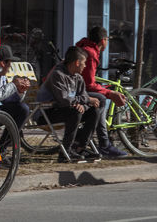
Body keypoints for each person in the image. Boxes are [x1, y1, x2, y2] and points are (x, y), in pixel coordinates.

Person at [36, 46, 102, 163]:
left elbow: (83, 98)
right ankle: (65, 151)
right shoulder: (58, 75)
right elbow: (64, 100)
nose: (85, 66)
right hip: (46, 113)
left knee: (94, 111)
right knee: (75, 112)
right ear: (77, 62)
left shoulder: (78, 78)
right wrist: (84, 101)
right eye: (84, 63)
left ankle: (80, 148)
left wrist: (83, 105)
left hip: (66, 110)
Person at [76, 26, 128, 157]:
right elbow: (88, 85)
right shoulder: (90, 53)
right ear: (103, 41)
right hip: (73, 94)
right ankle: (103, 144)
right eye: (107, 40)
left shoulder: (82, 47)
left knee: (100, 97)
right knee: (101, 99)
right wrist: (110, 93)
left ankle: (102, 144)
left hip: (73, 90)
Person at [0, 45, 30, 132]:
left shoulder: (2, 76)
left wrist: (19, 91)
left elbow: (5, 99)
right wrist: (12, 85)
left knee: (23, 109)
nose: (10, 67)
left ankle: (4, 145)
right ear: (2, 63)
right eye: (9, 63)